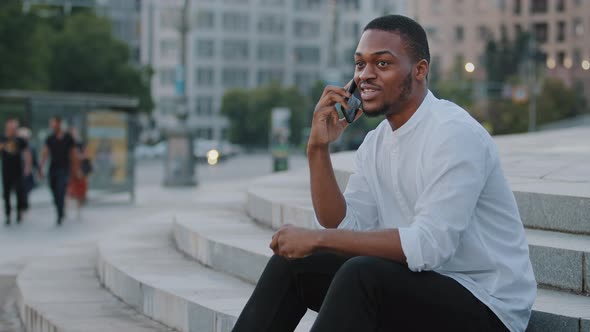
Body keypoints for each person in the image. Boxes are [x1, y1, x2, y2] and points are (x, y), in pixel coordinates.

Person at [233, 15, 536, 332]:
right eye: (360, 64)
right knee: (294, 265)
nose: (365, 75)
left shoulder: (453, 133)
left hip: (486, 304)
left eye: (382, 64)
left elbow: (429, 245)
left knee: (361, 275)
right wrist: (317, 149)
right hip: (420, 286)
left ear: (419, 70)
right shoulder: (377, 142)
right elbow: (345, 224)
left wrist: (317, 238)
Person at [38, 117, 78, 225]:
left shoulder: (68, 138)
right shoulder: (50, 138)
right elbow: (45, 153)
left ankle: (60, 214)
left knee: (61, 189)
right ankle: (59, 208)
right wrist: (40, 168)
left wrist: (75, 169)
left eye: (54, 123)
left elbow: (73, 154)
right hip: (53, 168)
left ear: (59, 124)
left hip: (64, 168)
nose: (52, 126)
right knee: (54, 190)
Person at [0, 119, 32, 225]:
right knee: (7, 194)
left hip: (18, 171)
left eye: (14, 128)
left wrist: (27, 167)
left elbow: (27, 153)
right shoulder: (2, 139)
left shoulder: (20, 140)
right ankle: (8, 215)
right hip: (6, 171)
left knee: (19, 192)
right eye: (11, 128)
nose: (12, 130)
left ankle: (18, 213)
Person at [66, 127, 89, 219]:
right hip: (69, 170)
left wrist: (78, 158)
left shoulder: (79, 144)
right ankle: (65, 210)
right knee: (68, 190)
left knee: (79, 190)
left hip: (78, 170)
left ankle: (78, 210)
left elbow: (85, 155)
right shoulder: (66, 144)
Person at [18, 127, 37, 212]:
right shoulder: (17, 145)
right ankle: (22, 205)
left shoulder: (31, 147)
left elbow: (34, 160)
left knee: (26, 188)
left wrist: (37, 169)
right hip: (17, 171)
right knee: (20, 189)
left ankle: (24, 204)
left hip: (27, 171)